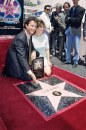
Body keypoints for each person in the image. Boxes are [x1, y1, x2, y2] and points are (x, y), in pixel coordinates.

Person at [2, 16, 39, 83]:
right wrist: (30, 72)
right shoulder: (20, 38)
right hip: (14, 58)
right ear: (26, 25)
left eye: (35, 26)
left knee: (37, 54)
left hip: (21, 56)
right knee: (27, 77)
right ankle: (6, 70)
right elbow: (21, 56)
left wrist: (34, 51)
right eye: (32, 26)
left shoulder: (29, 35)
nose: (34, 28)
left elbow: (32, 47)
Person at [65, 0, 85, 67]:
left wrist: (69, 18)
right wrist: (70, 19)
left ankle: (75, 61)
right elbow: (66, 20)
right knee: (68, 46)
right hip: (69, 30)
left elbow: (78, 20)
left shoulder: (82, 9)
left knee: (76, 47)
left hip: (76, 30)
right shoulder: (70, 9)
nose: (74, 1)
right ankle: (68, 60)